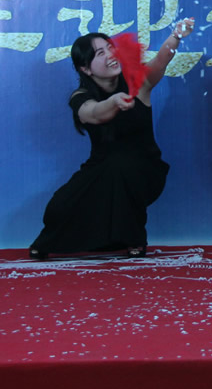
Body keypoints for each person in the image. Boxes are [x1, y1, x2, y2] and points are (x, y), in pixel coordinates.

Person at [29, 18, 195, 260]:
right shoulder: (80, 96)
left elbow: (161, 60)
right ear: (86, 69)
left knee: (122, 168)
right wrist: (114, 102)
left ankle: (135, 239)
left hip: (145, 169)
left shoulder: (137, 82)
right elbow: (94, 113)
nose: (110, 55)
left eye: (110, 48)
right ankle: (53, 242)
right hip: (101, 167)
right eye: (100, 53)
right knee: (59, 206)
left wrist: (176, 36)